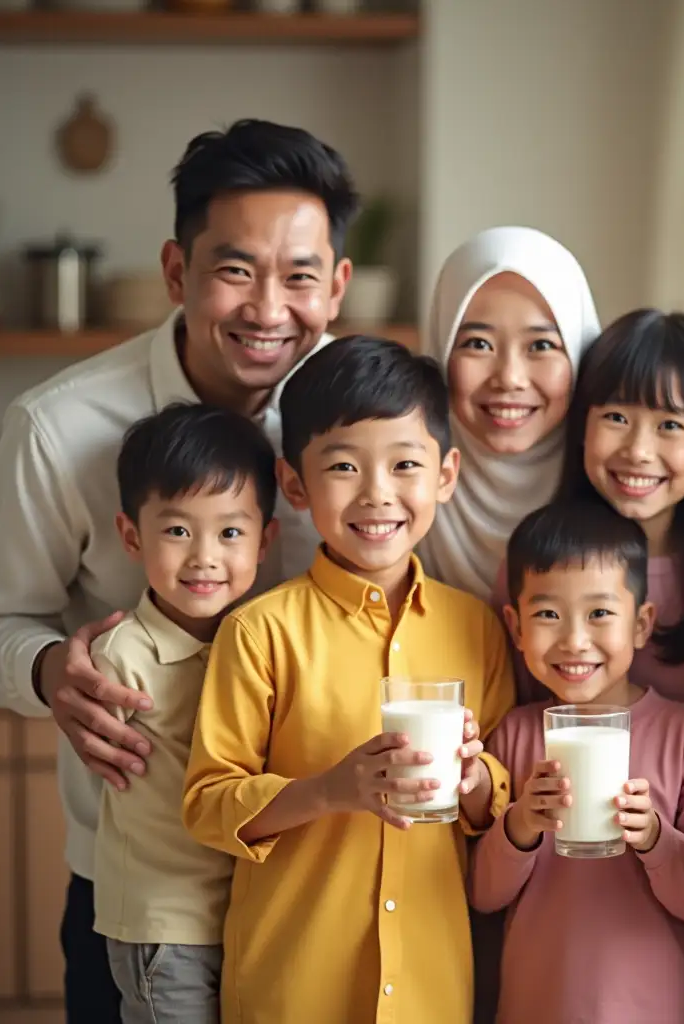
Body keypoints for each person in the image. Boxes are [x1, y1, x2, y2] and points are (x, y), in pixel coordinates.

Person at [0, 118, 358, 1021]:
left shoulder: (362, 439)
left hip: (322, 880)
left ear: (338, 287)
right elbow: (3, 619)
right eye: (235, 270)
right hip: (139, 897)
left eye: (300, 277)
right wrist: (49, 672)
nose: (270, 310)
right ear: (175, 272)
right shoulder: (58, 430)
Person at [181, 336, 516, 1024]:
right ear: (296, 485)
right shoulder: (259, 632)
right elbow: (209, 805)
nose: (377, 493)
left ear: (446, 475)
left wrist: (478, 778)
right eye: (343, 466)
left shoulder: (476, 628)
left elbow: (499, 804)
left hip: (432, 990)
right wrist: (328, 791)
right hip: (293, 986)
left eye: (405, 465)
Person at [470, 499, 684, 1024]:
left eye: (600, 613)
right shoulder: (514, 735)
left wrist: (654, 837)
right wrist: (519, 825)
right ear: (515, 627)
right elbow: (483, 895)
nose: (574, 640)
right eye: (548, 615)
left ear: (642, 623)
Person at [91, 402, 278, 1023]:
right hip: (165, 921)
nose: (204, 557)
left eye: (229, 532)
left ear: (265, 538)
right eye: (177, 531)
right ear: (131, 535)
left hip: (244, 910)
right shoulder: (119, 659)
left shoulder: (260, 642)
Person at [496, 308, 684, 729]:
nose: (638, 450)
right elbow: (517, 720)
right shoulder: (533, 563)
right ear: (582, 430)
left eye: (669, 424)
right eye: (616, 418)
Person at [418, 225, 601, 601]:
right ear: (441, 347)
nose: (509, 378)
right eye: (478, 343)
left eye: (541, 345)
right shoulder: (398, 483)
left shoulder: (618, 479)